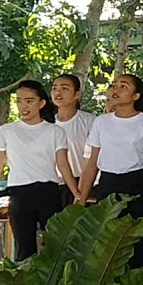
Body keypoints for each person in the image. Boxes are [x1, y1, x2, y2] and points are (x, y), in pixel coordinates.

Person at [0, 80, 78, 260]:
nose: (23, 106)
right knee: (24, 249)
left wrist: (77, 193)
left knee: (55, 248)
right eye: (19, 101)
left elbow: (63, 164)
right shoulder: (6, 131)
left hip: (49, 193)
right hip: (19, 194)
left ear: (41, 103)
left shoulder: (55, 131)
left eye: (29, 101)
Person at [78, 74, 143, 268]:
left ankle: (139, 279)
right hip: (108, 184)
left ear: (136, 96)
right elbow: (92, 162)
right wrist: (82, 197)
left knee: (140, 237)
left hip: (137, 183)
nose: (116, 90)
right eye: (114, 85)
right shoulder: (101, 122)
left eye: (123, 86)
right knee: (107, 238)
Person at [50, 74, 96, 206]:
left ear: (76, 94)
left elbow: (94, 157)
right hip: (54, 185)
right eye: (54, 88)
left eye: (64, 88)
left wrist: (81, 190)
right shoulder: (47, 123)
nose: (58, 92)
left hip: (84, 183)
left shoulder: (90, 121)